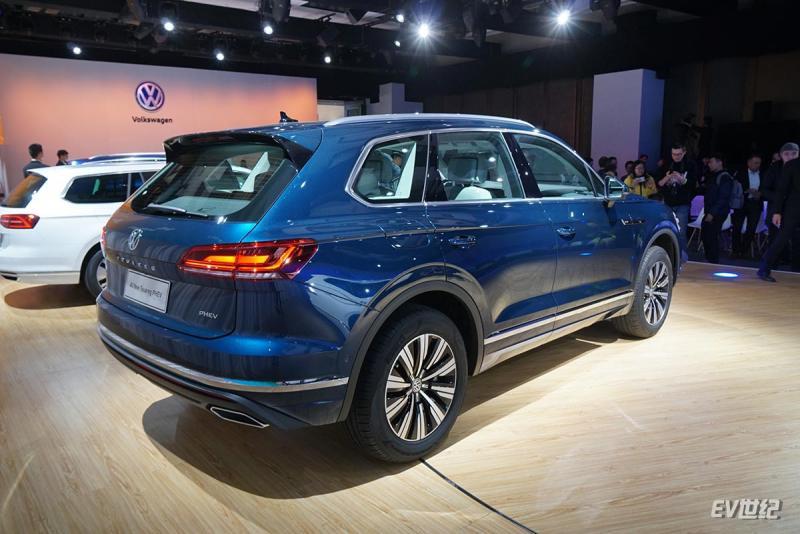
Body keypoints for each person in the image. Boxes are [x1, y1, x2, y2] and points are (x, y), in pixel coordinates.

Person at [758, 143, 800, 282]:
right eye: (787, 154)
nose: (791, 156)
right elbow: (781, 190)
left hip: (792, 208)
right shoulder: (790, 166)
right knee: (780, 240)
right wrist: (777, 212)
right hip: (791, 210)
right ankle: (764, 269)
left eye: (794, 153)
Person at [658, 143, 697, 261]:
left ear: (684, 153)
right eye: (673, 154)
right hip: (667, 202)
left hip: (682, 203)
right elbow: (659, 184)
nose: (676, 156)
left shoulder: (690, 165)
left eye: (679, 154)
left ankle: (682, 258)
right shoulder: (666, 164)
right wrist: (668, 178)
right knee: (666, 230)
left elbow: (693, 185)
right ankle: (667, 257)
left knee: (681, 232)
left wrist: (682, 179)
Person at [701, 154, 734, 264]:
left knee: (711, 236)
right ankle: (710, 259)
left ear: (719, 162)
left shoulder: (724, 177)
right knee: (707, 235)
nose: (709, 164)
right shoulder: (713, 175)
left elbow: (723, 197)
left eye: (711, 162)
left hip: (717, 212)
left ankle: (713, 260)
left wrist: (712, 213)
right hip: (711, 210)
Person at [731, 154, 763, 258]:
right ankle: (735, 250)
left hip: (755, 204)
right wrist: (748, 190)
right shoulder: (741, 173)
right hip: (742, 202)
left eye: (759, 163)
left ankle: (744, 250)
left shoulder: (763, 174)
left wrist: (760, 193)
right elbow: (735, 187)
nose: (757, 165)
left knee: (751, 228)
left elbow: (767, 187)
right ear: (749, 163)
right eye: (755, 163)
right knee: (737, 227)